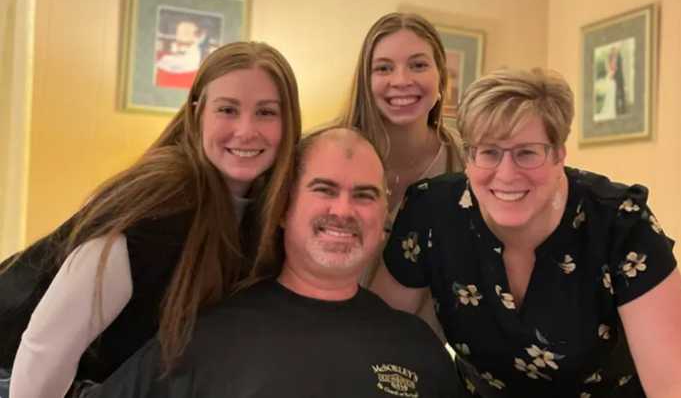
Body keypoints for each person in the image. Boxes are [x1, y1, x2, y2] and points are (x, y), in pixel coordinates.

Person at [373, 68, 681, 397]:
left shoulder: (620, 224)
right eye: (489, 152)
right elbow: (381, 342)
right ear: (468, 157)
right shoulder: (431, 211)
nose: (506, 175)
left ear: (559, 154)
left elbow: (678, 385)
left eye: (527, 153)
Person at [3, 41, 301, 398]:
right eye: (227, 110)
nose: (246, 130)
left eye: (266, 112)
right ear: (197, 115)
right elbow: (45, 345)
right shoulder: (159, 204)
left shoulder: (269, 210)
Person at [84, 127, 462, 398]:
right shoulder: (205, 337)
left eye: (364, 196)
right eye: (324, 190)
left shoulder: (416, 346)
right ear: (283, 207)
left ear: (383, 218)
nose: (343, 210)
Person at [340, 12, 464, 337]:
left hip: (423, 360)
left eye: (418, 65)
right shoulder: (326, 156)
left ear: (441, 76)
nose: (401, 80)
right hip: (328, 345)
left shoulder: (470, 163)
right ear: (365, 80)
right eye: (383, 68)